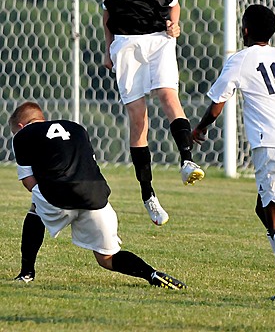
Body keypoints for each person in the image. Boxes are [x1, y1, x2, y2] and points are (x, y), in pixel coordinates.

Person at [9, 101, 186, 290]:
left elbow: (28, 182)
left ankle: (26, 273)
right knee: (107, 258)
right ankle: (151, 274)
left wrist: (48, 194)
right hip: (96, 197)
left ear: (20, 126)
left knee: (35, 210)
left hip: (59, 197)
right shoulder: (76, 128)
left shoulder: (22, 136)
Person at [102, 0, 204, 227]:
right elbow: (107, 16)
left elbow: (174, 9)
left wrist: (175, 27)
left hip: (159, 40)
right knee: (138, 120)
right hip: (126, 43)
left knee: (167, 94)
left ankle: (187, 161)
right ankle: (148, 195)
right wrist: (107, 50)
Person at [192, 4, 275, 300]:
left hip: (273, 145)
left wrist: (200, 129)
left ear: (245, 30)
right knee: (264, 211)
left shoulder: (241, 60)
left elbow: (217, 103)